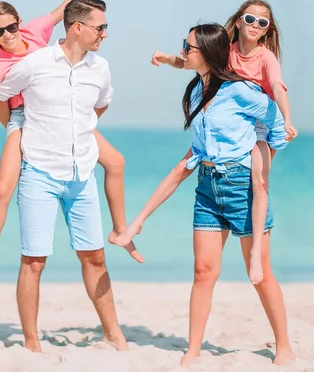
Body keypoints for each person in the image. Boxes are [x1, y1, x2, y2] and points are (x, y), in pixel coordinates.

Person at [0, 0, 143, 297]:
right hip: (23, 117)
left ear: (19, 22)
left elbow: (70, 5)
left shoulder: (35, 29)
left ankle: (120, 229)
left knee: (116, 162)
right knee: (2, 188)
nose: (8, 35)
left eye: (11, 26)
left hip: (61, 115)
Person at [115, 24, 295, 366]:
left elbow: (278, 129)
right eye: (184, 43)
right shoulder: (197, 91)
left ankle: (284, 345)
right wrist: (136, 223)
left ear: (209, 53)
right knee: (203, 271)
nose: (183, 50)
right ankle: (194, 349)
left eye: (189, 46)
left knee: (260, 274)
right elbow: (188, 159)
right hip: (207, 187)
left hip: (242, 185)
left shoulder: (242, 90)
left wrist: (259, 159)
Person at [0, 0, 128, 352]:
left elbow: (101, 103)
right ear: (77, 28)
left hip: (82, 175)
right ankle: (32, 341)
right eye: (100, 27)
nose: (104, 34)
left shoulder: (101, 68)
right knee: (34, 261)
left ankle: (113, 333)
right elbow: (3, 97)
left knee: (95, 257)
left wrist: (78, 132)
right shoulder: (34, 63)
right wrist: (18, 134)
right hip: (39, 174)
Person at [149, 0, 296, 285]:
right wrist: (166, 58)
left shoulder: (266, 58)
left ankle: (255, 254)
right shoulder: (226, 52)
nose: (255, 25)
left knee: (260, 183)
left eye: (262, 22)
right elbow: (192, 63)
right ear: (239, 20)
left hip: (261, 127)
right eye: (250, 19)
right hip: (230, 125)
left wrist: (288, 119)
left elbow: (277, 87)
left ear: (267, 30)